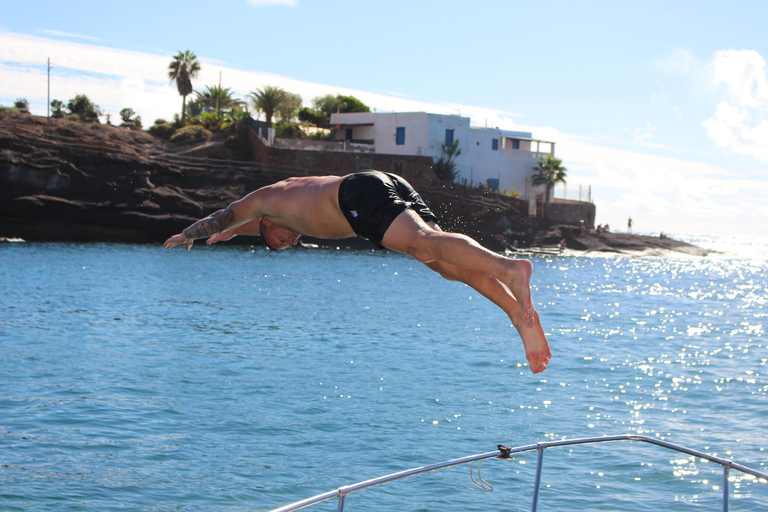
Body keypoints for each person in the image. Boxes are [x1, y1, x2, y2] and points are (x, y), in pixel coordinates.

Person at [164, 170, 551, 373]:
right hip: (376, 185)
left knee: (422, 244)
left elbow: (227, 214)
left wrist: (190, 233)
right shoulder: (279, 209)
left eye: (282, 242)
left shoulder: (263, 200)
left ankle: (511, 269)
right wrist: (231, 233)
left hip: (358, 197)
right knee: (443, 263)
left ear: (266, 224)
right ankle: (518, 313)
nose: (293, 243)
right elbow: (244, 224)